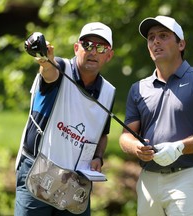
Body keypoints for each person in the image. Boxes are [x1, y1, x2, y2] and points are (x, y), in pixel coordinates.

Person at [119, 15, 193, 216]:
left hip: (187, 177)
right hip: (148, 179)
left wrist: (180, 147)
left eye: (163, 36)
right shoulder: (138, 88)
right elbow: (126, 136)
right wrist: (137, 148)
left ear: (181, 44)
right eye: (151, 38)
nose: (156, 41)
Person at [15, 22, 115, 216]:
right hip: (38, 171)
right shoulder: (59, 67)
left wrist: (98, 157)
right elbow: (49, 74)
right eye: (87, 45)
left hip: (75, 182)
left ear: (109, 55)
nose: (93, 51)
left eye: (101, 47)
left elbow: (102, 134)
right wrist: (45, 60)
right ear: (76, 48)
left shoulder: (109, 92)